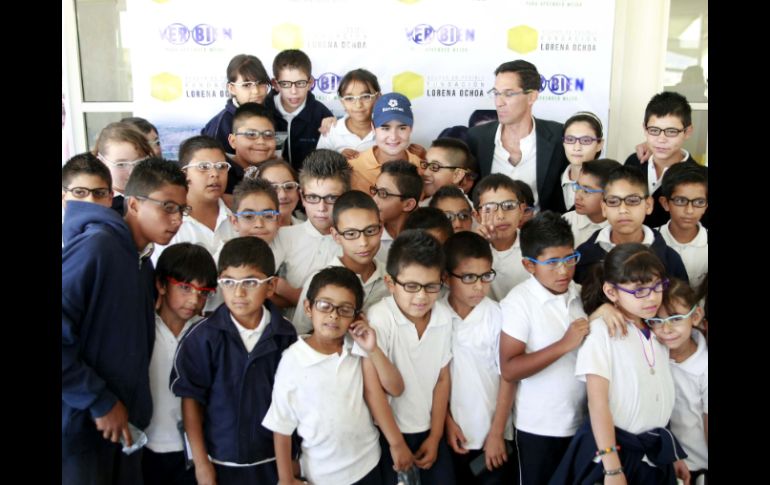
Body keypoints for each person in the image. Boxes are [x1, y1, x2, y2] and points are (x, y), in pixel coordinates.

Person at [63, 158, 188, 485]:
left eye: (182, 210)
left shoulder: (143, 263)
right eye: (167, 207)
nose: (176, 220)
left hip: (122, 426)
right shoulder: (97, 247)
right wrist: (99, 401)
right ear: (133, 203)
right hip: (83, 424)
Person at [551, 243, 689, 485]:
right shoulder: (602, 332)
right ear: (612, 292)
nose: (653, 297)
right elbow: (598, 403)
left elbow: (656, 396)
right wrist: (612, 469)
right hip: (614, 456)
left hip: (652, 455)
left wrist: (671, 452)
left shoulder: (656, 331)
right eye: (639, 291)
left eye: (658, 287)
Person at [171, 237, 298, 485]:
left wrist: (292, 456)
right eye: (228, 282)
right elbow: (191, 401)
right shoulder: (203, 337)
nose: (238, 293)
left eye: (250, 282)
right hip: (220, 462)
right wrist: (202, 463)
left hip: (273, 461)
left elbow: (294, 402)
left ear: (271, 286)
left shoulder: (286, 335)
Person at [263, 266, 399, 485]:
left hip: (369, 463)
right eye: (325, 305)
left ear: (356, 316)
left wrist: (372, 349)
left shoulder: (357, 348)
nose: (333, 315)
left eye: (345, 309)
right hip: (323, 475)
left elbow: (391, 389)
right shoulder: (293, 360)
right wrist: (286, 478)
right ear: (308, 308)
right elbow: (281, 425)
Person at [360, 230, 456, 485]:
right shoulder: (381, 318)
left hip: (428, 427)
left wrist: (436, 436)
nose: (422, 296)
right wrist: (396, 443)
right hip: (388, 433)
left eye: (431, 286)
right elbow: (373, 391)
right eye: (411, 286)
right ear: (390, 283)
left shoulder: (443, 317)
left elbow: (442, 379)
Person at [499, 211, 588, 484]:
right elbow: (510, 369)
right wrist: (563, 345)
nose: (563, 270)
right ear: (529, 265)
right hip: (538, 428)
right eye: (552, 263)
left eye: (569, 259)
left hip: (582, 422)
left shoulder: (581, 293)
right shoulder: (518, 303)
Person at [443, 231, 516, 484]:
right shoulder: (436, 315)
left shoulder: (498, 315)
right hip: (451, 433)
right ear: (446, 278)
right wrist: (446, 422)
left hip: (491, 436)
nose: (479, 286)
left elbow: (508, 378)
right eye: (468, 277)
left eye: (486, 277)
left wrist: (497, 433)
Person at [143, 243, 217, 485]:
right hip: (145, 447)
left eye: (203, 291)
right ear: (161, 284)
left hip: (193, 453)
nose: (194, 299)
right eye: (185, 288)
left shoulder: (206, 334)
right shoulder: (143, 328)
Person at [467, 60, 569, 213]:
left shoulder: (558, 136)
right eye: (496, 93)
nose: (499, 102)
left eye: (508, 94)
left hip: (539, 232)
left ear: (532, 97)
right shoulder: (477, 138)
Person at [292, 190, 390, 335]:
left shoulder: (392, 281)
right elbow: (301, 334)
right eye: (351, 234)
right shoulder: (319, 281)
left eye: (370, 231)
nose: (363, 243)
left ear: (381, 228)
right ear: (336, 235)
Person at [573, 165, 689, 285]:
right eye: (613, 202)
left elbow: (682, 301)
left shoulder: (670, 260)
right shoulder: (584, 256)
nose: (623, 210)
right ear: (604, 208)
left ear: (648, 205)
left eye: (633, 201)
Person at [648, 278, 708, 484]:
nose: (666, 329)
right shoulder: (651, 355)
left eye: (675, 318)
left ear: (696, 316)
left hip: (699, 467)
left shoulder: (704, 366)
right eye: (656, 320)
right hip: (661, 463)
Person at [624, 91, 709, 229]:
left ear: (687, 132)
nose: (661, 139)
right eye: (654, 130)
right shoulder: (634, 162)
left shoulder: (702, 178)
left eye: (671, 131)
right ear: (645, 129)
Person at [152, 135, 236, 265]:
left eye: (221, 166)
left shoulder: (239, 213)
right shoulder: (167, 223)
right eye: (203, 167)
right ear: (184, 174)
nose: (214, 173)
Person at [265, 49, 334, 169]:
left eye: (300, 83)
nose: (294, 91)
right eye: (285, 84)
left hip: (310, 184)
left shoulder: (322, 115)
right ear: (275, 84)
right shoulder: (263, 112)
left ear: (310, 82)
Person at [349, 92, 423, 193]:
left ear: (411, 128)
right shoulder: (352, 168)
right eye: (385, 128)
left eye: (402, 128)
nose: (393, 137)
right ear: (373, 128)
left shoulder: (422, 170)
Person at [472, 173, 529, 301]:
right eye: (489, 208)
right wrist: (475, 247)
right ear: (477, 216)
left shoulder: (536, 248)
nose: (501, 215)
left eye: (509, 206)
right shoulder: (470, 250)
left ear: (521, 210)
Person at [202, 54, 271, 155]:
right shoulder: (222, 123)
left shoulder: (271, 113)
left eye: (260, 83)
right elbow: (215, 166)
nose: (256, 91)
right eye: (247, 85)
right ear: (232, 88)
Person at [657, 162, 708, 289]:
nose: (689, 210)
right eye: (680, 201)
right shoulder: (649, 240)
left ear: (706, 205)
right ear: (665, 203)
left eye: (699, 202)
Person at [316, 68, 380, 158]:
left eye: (366, 96)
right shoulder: (332, 130)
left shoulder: (389, 129)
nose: (358, 105)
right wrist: (338, 158)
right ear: (342, 101)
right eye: (349, 98)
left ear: (377, 97)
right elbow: (318, 166)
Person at [93, 121, 154, 215]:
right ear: (101, 162)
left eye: (139, 162)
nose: (132, 171)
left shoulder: (156, 195)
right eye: (121, 164)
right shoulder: (98, 207)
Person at [370, 160, 423, 263]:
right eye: (375, 191)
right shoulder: (367, 236)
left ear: (408, 204)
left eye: (383, 194)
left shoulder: (425, 236)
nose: (373, 200)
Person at [561, 159, 620, 247]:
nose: (577, 196)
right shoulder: (565, 222)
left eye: (586, 191)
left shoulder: (623, 227)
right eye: (577, 187)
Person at [225, 103, 279, 194]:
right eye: (251, 135)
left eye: (268, 135)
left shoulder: (279, 173)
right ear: (233, 141)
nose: (261, 141)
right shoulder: (221, 174)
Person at [560, 112, 604, 210]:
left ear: (599, 144)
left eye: (585, 140)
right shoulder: (551, 180)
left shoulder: (610, 183)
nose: (577, 147)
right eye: (570, 139)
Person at [421, 138, 476, 205]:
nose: (425, 173)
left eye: (435, 167)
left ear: (457, 175)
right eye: (425, 164)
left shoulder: (461, 210)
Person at [252, 158, 304, 226]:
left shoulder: (311, 232)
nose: (283, 195)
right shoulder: (241, 233)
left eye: (289, 187)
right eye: (273, 188)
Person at [62, 152, 114, 218]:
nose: (91, 201)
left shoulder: (121, 227)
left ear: (110, 198)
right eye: (79, 192)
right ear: (63, 197)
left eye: (100, 193)